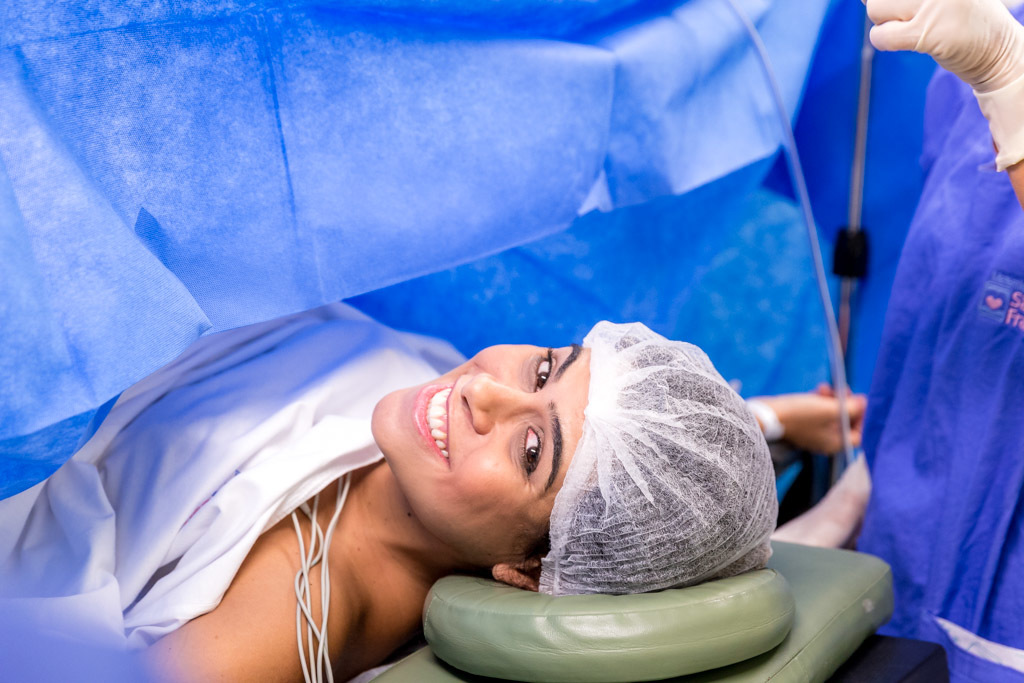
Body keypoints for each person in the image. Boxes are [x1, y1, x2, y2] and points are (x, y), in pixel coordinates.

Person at [0, 303, 782, 682]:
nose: (486, 392)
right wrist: (775, 416)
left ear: (526, 570)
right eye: (545, 367)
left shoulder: (302, 607)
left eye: (532, 449)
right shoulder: (427, 420)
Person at [856, 0, 1024, 680]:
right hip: (903, 559)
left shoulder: (990, 52)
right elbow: (940, 326)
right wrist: (863, 485)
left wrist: (1009, 77)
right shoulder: (961, 59)